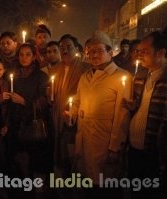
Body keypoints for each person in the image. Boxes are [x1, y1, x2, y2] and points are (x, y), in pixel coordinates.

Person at [68, 31, 131, 198]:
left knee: (105, 187)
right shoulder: (85, 76)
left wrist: (115, 147)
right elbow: (77, 100)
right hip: (85, 138)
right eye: (89, 51)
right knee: (87, 185)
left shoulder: (122, 77)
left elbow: (122, 115)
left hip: (105, 143)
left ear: (110, 52)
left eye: (98, 50)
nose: (93, 55)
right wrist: (72, 113)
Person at [124, 31, 167, 199]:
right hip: (135, 149)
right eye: (139, 51)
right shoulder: (141, 76)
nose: (139, 55)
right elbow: (141, 107)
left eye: (145, 51)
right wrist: (133, 106)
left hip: (155, 154)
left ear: (161, 53)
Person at [8, 43, 51, 198]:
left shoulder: (41, 76)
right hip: (17, 123)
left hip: (34, 125)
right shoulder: (14, 75)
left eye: (28, 54)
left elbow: (44, 102)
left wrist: (25, 102)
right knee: (20, 157)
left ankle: (38, 189)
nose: (24, 58)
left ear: (34, 57)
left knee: (37, 157)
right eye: (21, 54)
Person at [49, 34, 89, 198]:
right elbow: (53, 93)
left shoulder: (85, 69)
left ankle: (75, 191)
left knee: (74, 158)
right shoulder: (56, 69)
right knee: (61, 158)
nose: (65, 50)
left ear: (77, 48)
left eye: (68, 46)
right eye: (62, 47)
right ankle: (62, 190)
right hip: (57, 120)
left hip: (74, 122)